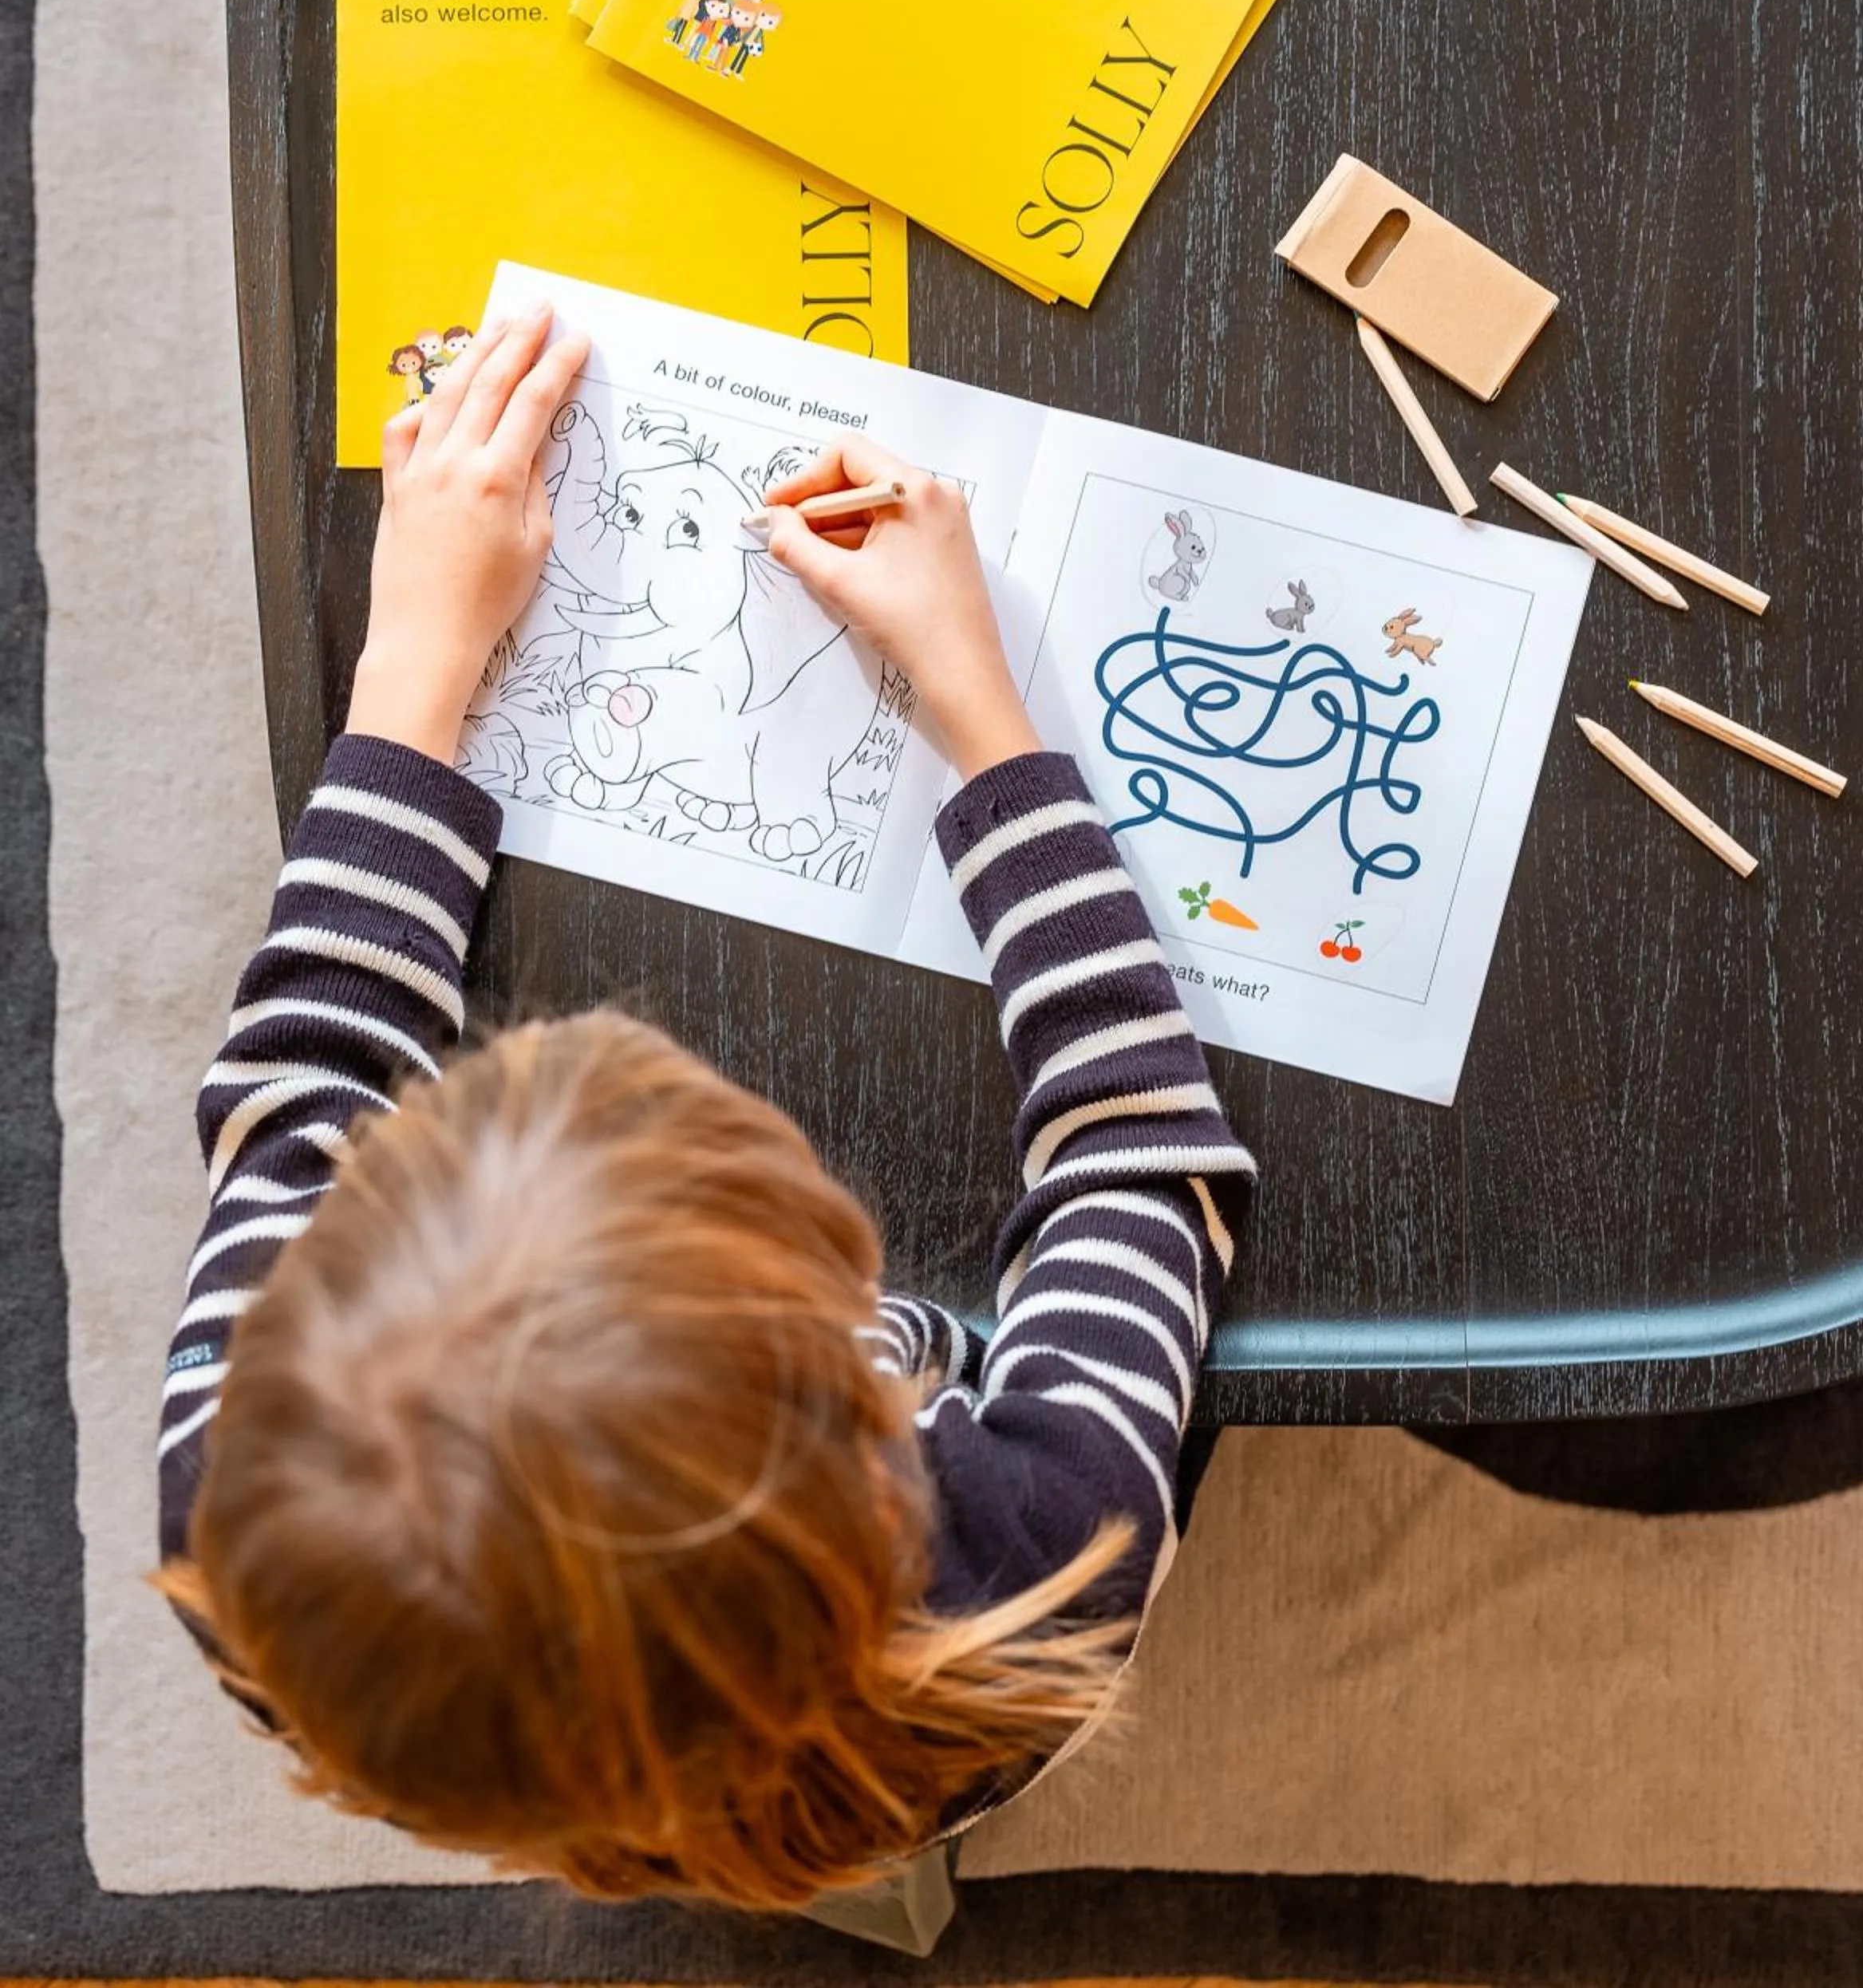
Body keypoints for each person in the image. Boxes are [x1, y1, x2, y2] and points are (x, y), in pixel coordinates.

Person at [155, 306, 1252, 1907]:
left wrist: (421, 656)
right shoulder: (1039, 1567)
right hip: (944, 1725)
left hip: (617, 1749)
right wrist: (983, 718)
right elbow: (1142, 1163)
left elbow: (308, 1080)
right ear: (846, 1368)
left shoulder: (244, 1517)